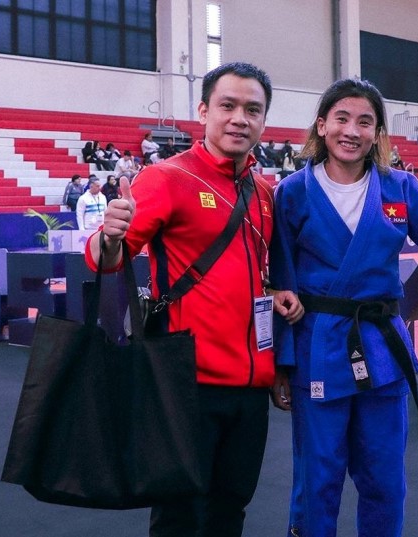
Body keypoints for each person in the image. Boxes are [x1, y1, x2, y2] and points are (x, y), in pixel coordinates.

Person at [269, 78, 418, 537]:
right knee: (317, 478)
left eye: (365, 122)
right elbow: (282, 282)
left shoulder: (399, 186)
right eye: (342, 119)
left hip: (381, 348)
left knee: (385, 478)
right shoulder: (292, 192)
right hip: (318, 347)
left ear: (377, 133)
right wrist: (283, 362)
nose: (351, 131)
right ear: (322, 125)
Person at [85, 62, 303, 537]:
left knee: (230, 510)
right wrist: (110, 235)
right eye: (228, 106)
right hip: (187, 383)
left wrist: (274, 296)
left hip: (251, 388)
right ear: (204, 111)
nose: (239, 119)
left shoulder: (264, 193)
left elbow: (253, 274)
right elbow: (106, 260)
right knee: (179, 518)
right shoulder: (167, 177)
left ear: (264, 120)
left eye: (252, 110)